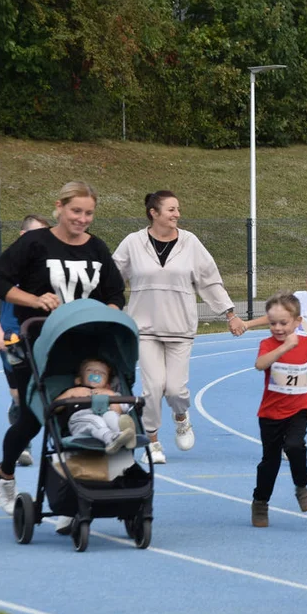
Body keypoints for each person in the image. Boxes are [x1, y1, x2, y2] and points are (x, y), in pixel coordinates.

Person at [0, 181, 126, 515]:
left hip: (84, 344)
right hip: (36, 342)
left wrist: (110, 312)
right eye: (76, 211)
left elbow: (115, 293)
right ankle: (6, 473)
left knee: (87, 413)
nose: (82, 219)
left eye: (89, 213)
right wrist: (34, 299)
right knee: (34, 419)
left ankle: (74, 490)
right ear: (59, 207)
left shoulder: (97, 249)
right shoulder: (35, 243)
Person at [112, 190, 246, 465]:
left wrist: (229, 314)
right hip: (145, 329)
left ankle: (181, 417)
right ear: (154, 212)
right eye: (171, 209)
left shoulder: (190, 243)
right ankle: (153, 441)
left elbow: (210, 280)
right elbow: (112, 278)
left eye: (178, 210)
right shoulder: (133, 243)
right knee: (152, 387)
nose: (177, 214)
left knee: (175, 390)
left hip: (180, 329)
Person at [251, 291, 307, 527]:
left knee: (294, 445)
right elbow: (260, 364)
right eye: (273, 323)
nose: (278, 328)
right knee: (270, 462)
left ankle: (301, 487)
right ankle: (260, 502)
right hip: (270, 414)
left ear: (297, 322)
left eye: (283, 323)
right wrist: (284, 348)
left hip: (299, 408)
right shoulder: (267, 344)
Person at [0, 214, 53, 467]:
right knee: (19, 394)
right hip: (12, 336)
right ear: (24, 236)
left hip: (41, 334)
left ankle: (29, 435)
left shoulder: (48, 264)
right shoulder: (12, 263)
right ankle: (18, 416)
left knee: (42, 387)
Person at [244, 258, 307, 391]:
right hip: (288, 361)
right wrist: (247, 324)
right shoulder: (298, 298)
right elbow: (278, 316)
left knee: (296, 405)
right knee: (280, 401)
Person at [60, 358, 137, 455]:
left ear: (107, 385)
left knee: (112, 415)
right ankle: (111, 439)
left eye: (102, 373)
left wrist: (111, 396)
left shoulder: (111, 393)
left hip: (104, 418)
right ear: (78, 380)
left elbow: (118, 411)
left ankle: (123, 435)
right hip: (80, 421)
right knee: (95, 420)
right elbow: (54, 408)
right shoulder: (74, 391)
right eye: (90, 370)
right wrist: (69, 393)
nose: (96, 372)